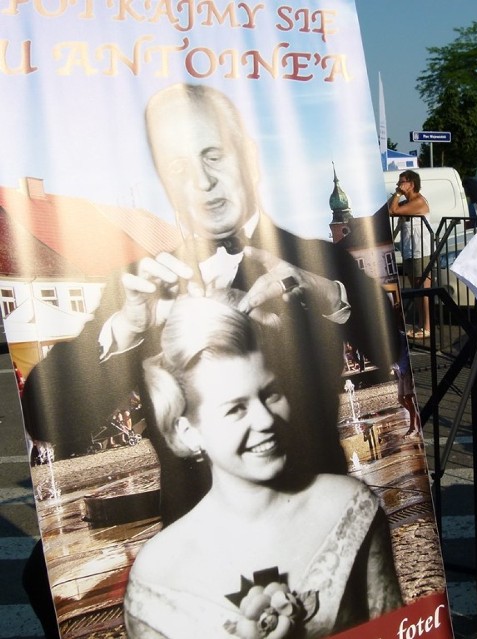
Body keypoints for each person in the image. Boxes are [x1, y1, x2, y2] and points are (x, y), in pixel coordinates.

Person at [20, 83, 398, 636]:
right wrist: (123, 326)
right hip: (193, 530)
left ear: (248, 154)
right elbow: (46, 419)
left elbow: (392, 349)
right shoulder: (138, 285)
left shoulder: (317, 259)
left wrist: (326, 295)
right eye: (178, 166)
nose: (202, 181)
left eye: (213, 154)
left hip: (310, 525)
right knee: (41, 581)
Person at [123, 295, 403, 638]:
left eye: (270, 393)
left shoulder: (349, 508)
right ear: (189, 432)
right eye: (235, 408)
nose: (265, 420)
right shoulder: (157, 574)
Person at [388, 170, 432, 340]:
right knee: (416, 291)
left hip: (421, 251)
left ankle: (426, 326)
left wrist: (398, 194)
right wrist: (397, 194)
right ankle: (421, 325)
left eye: (402, 181)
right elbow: (389, 207)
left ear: (411, 184)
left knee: (423, 290)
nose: (399, 185)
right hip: (409, 250)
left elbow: (393, 210)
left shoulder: (418, 202)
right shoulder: (408, 202)